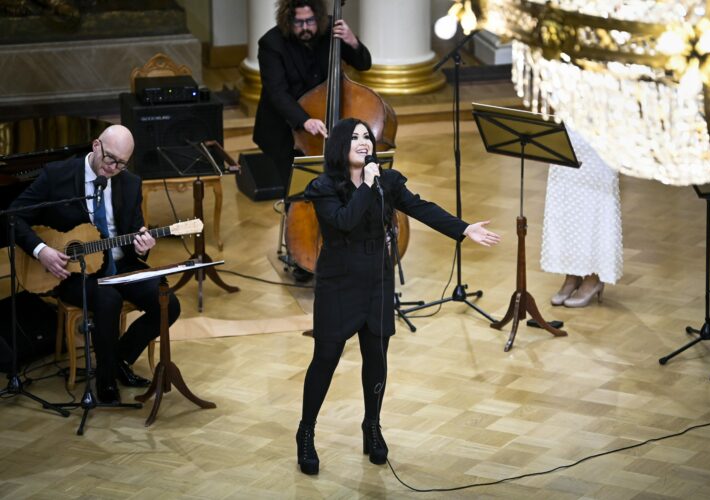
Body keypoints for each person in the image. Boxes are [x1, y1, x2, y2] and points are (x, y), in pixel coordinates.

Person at [295, 118, 501, 475]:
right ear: (340, 145)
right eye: (356, 137)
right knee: (326, 357)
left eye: (367, 137)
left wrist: (463, 228)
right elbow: (343, 221)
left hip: (377, 276)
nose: (364, 142)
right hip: (338, 281)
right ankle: (306, 431)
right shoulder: (324, 187)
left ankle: (372, 426)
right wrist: (368, 185)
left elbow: (421, 207)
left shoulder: (387, 181)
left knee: (376, 356)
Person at [10, 124, 181, 404]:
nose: (113, 167)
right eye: (110, 158)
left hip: (119, 266)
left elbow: (135, 230)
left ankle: (116, 361)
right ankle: (105, 383)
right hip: (71, 272)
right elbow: (14, 214)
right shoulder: (58, 176)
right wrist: (41, 251)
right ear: (96, 146)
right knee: (107, 299)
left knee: (168, 305)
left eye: (121, 163)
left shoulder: (130, 182)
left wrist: (143, 244)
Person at [253, 0, 372, 191]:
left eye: (310, 21)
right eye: (299, 23)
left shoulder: (333, 30)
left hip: (326, 121)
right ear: (288, 21)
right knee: (295, 191)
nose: (305, 27)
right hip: (285, 130)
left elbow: (364, 64)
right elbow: (277, 93)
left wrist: (352, 41)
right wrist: (305, 121)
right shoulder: (271, 43)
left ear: (319, 17)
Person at [540, 128, 623, 307]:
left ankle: (594, 278)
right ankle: (572, 275)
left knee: (593, 207)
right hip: (570, 121)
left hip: (601, 128)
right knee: (567, 206)